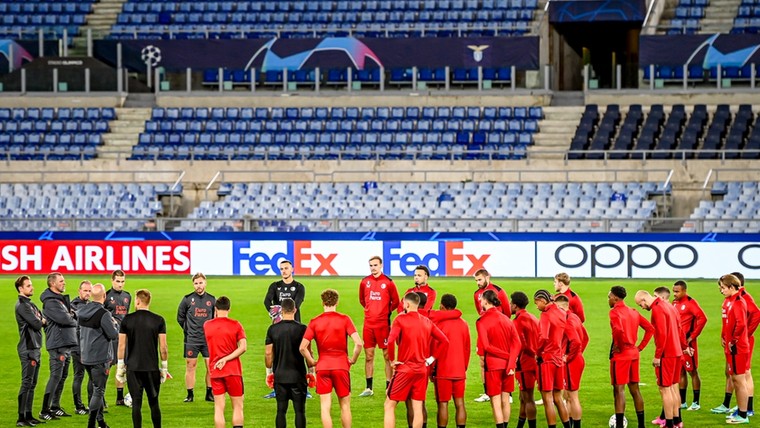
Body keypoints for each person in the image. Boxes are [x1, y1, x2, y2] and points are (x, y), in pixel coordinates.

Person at [299, 289, 363, 428]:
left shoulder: (315, 322)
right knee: (345, 406)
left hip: (322, 367)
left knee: (325, 407)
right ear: (337, 302)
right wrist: (353, 359)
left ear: (322, 302)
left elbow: (302, 347)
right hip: (341, 366)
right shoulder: (344, 319)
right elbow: (359, 343)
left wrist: (312, 361)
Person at [384, 292, 449, 428]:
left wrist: (391, 360)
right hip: (421, 370)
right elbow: (444, 341)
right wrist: (431, 359)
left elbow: (390, 341)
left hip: (405, 369)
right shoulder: (427, 321)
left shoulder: (400, 319)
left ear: (406, 304)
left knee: (389, 405)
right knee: (418, 407)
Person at [116, 289, 169, 428]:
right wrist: (164, 368)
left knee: (136, 404)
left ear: (138, 301)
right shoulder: (159, 320)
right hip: (151, 368)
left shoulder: (127, 319)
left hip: (133, 368)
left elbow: (121, 346)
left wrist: (120, 367)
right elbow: (163, 347)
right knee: (154, 403)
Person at [634, 290, 686, 428]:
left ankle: (669, 423)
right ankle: (677, 421)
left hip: (667, 354)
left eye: (641, 305)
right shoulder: (669, 306)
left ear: (644, 299)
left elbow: (662, 334)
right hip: (677, 352)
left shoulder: (657, 310)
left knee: (665, 389)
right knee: (674, 387)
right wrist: (684, 346)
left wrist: (657, 355)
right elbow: (680, 328)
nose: (643, 308)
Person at [712, 271, 759, 419]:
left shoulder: (741, 298)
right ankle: (735, 406)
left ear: (734, 284)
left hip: (740, 343)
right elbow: (727, 321)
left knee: (744, 374)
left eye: (723, 287)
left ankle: (746, 410)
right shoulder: (729, 300)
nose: (721, 290)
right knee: (734, 374)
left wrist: (744, 335)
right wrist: (724, 336)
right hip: (733, 341)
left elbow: (754, 316)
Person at [607, 285, 654, 428]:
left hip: (621, 356)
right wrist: (639, 347)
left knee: (619, 390)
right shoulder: (633, 312)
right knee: (635, 390)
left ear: (615, 298)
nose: (608, 299)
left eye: (609, 297)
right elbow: (650, 329)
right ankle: (641, 425)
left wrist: (619, 347)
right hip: (634, 354)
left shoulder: (615, 313)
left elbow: (618, 330)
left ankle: (619, 425)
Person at [477, 290, 521, 428]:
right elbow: (517, 343)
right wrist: (511, 361)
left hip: (493, 365)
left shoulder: (482, 321)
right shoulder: (506, 319)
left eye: (481, 300)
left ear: (485, 301)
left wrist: (505, 356)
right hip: (509, 367)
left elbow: (486, 346)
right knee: (505, 399)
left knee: (495, 400)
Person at [263, 260, 306, 399]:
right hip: (278, 327)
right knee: (277, 356)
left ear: (292, 269)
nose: (284, 271)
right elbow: (266, 301)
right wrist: (273, 314)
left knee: (298, 355)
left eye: (286, 268)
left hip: (295, 326)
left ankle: (304, 387)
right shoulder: (275, 286)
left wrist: (279, 309)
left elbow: (296, 304)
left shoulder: (299, 287)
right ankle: (276, 389)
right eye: (281, 269)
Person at [79, 283, 120, 428]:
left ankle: (101, 422)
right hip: (100, 358)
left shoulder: (82, 311)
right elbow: (113, 334)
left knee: (93, 387)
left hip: (85, 356)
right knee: (98, 390)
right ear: (104, 296)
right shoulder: (104, 314)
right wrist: (115, 324)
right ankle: (91, 425)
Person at [358, 255, 400, 397]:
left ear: (381, 266)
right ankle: (368, 388)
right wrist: (371, 311)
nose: (373, 268)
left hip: (383, 325)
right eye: (371, 265)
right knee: (369, 356)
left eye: (375, 265)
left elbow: (396, 301)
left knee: (386, 355)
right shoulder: (365, 282)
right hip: (368, 324)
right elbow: (362, 300)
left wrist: (385, 312)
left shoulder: (388, 282)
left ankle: (389, 386)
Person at [204, 296, 247, 428]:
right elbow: (243, 347)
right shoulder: (236, 325)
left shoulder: (207, 325)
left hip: (215, 371)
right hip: (233, 371)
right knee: (238, 406)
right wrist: (226, 358)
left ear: (215, 309)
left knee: (218, 407)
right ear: (229, 308)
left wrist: (221, 359)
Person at [265, 298, 308, 428]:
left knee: (281, 411)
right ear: (295, 310)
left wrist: (269, 371)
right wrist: (311, 370)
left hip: (280, 375)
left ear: (281, 311)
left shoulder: (272, 329)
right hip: (298, 376)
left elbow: (268, 353)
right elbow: (308, 351)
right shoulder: (302, 329)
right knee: (300, 411)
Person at [40, 272, 77, 420]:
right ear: (52, 284)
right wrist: (73, 317)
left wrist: (72, 316)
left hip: (65, 342)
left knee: (62, 376)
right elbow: (66, 319)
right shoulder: (51, 302)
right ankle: (44, 410)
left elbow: (72, 316)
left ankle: (55, 406)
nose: (64, 283)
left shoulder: (58, 300)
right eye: (61, 281)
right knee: (55, 376)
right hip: (58, 343)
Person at [429, 294, 470, 428]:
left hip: (443, 370)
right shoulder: (464, 324)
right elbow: (467, 348)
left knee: (443, 403)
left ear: (442, 305)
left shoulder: (439, 324)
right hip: (459, 369)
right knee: (460, 403)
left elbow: (434, 347)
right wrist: (463, 367)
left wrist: (431, 370)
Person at [533, 289, 570, 428]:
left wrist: (537, 352)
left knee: (547, 399)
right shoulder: (561, 312)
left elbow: (543, 336)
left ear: (543, 301)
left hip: (547, 359)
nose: (536, 306)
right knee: (558, 398)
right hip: (558, 358)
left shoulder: (545, 315)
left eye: (537, 303)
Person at [177, 272, 216, 403]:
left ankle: (209, 393)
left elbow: (214, 319)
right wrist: (188, 330)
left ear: (205, 283)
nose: (198, 286)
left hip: (208, 339)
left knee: (210, 367)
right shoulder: (187, 299)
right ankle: (190, 394)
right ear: (193, 284)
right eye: (196, 283)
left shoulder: (212, 300)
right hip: (192, 339)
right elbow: (180, 317)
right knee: (190, 366)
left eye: (200, 283)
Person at [473, 268, 510, 403]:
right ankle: (487, 392)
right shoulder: (476, 294)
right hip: (484, 331)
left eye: (480, 279)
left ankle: (507, 393)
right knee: (483, 361)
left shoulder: (499, 291)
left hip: (499, 331)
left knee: (502, 359)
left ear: (487, 277)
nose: (478, 283)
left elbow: (507, 311)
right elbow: (480, 312)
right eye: (476, 280)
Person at [671, 281, 707, 412]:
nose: (674, 294)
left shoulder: (691, 303)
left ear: (684, 291)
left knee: (692, 371)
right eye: (674, 291)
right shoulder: (674, 303)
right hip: (677, 342)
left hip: (688, 343)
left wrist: (692, 336)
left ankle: (696, 402)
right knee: (680, 370)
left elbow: (702, 319)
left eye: (677, 291)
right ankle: (683, 401)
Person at [15, 275, 46, 427]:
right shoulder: (22, 305)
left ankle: (29, 415)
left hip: (35, 348)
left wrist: (40, 320)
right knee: (27, 382)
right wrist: (40, 321)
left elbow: (40, 318)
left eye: (31, 285)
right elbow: (37, 323)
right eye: (28, 286)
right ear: (21, 289)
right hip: (28, 349)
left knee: (32, 383)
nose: (32, 287)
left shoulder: (31, 304)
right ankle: (21, 418)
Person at [554, 294, 588, 428]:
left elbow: (576, 341)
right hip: (577, 359)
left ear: (561, 307)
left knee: (572, 397)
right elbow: (586, 338)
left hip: (571, 362)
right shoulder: (575, 317)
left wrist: (568, 356)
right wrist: (578, 354)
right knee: (569, 396)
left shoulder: (566, 320)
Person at [511, 291, 540, 428]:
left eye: (511, 303)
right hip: (536, 361)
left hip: (525, 363)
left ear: (515, 305)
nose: (509, 305)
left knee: (528, 398)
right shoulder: (533, 317)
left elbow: (520, 344)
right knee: (523, 398)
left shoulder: (518, 321)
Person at [105, 269, 131, 406]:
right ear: (112, 281)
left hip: (124, 337)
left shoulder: (127, 296)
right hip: (110, 338)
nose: (120, 284)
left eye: (122, 281)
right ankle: (100, 396)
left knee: (123, 366)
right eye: (117, 281)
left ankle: (119, 398)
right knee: (107, 366)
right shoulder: (106, 296)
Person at [71, 280, 93, 415]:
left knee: (92, 376)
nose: (87, 293)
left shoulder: (89, 305)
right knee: (79, 375)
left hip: (88, 346)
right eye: (85, 290)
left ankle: (94, 404)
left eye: (90, 291)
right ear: (79, 291)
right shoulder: (74, 305)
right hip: (78, 346)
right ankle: (78, 406)